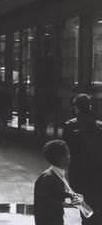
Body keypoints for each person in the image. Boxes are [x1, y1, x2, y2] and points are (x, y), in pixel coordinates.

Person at [62, 94, 102, 225]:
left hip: (79, 172)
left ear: (76, 108)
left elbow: (67, 152)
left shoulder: (69, 126)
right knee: (98, 203)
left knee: (84, 205)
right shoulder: (100, 125)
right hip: (99, 172)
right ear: (90, 106)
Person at [34, 140, 80, 225]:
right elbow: (42, 202)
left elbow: (52, 194)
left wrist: (69, 194)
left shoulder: (55, 173)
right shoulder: (49, 177)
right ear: (63, 157)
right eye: (68, 154)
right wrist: (64, 204)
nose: (70, 156)